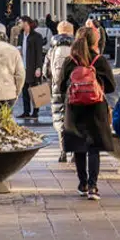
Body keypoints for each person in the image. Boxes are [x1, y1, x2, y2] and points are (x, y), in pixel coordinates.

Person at [59, 28, 116, 200]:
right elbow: (112, 86)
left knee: (79, 146)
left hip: (75, 109)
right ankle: (93, 186)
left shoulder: (70, 61)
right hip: (96, 108)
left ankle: (82, 183)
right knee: (94, 148)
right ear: (94, 42)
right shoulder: (99, 61)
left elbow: (60, 85)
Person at [43, 20, 76, 162]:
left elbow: (46, 71)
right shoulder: (76, 48)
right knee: (74, 118)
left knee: (59, 117)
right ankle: (75, 152)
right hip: (74, 88)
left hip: (57, 87)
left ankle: (63, 151)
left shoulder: (52, 50)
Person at [18, 15, 47, 121]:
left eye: (21, 22)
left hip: (33, 66)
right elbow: (20, 47)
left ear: (26, 23)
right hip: (23, 66)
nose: (19, 24)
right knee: (24, 90)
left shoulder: (36, 36)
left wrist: (39, 67)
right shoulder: (22, 35)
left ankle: (35, 111)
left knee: (35, 90)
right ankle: (26, 111)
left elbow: (38, 53)